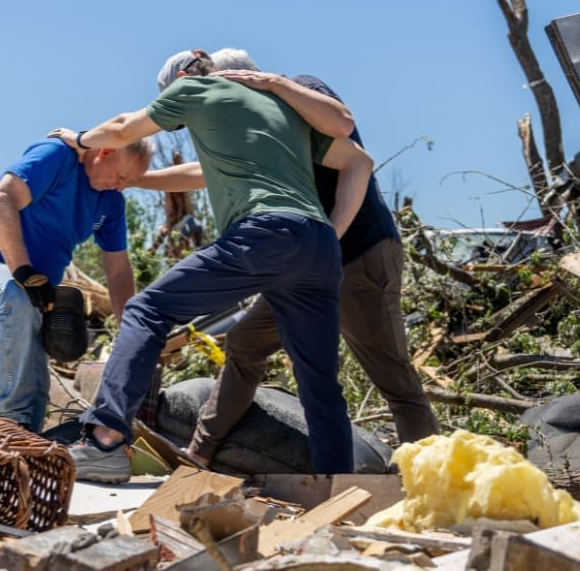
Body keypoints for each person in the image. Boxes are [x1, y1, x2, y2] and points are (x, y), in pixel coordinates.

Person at [49, 49, 374, 482]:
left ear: (182, 79)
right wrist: (134, 179)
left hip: (262, 234)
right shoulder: (278, 110)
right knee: (319, 380)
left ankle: (104, 441)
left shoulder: (195, 89)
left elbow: (124, 129)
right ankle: (341, 488)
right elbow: (358, 161)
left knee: (147, 310)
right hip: (316, 246)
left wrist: (80, 140)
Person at [153, 49, 442, 468]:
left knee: (392, 378)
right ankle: (199, 453)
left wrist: (276, 84)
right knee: (246, 342)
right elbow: (203, 171)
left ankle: (433, 482)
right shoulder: (256, 128)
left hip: (357, 255)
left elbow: (351, 148)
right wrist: (136, 179)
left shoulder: (301, 90)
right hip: (304, 263)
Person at [0, 136, 153, 431]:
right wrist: (23, 271)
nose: (121, 186)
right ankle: (7, 424)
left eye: (128, 182)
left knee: (36, 351)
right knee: (17, 300)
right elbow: (0, 200)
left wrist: (129, 330)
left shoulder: (110, 203)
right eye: (121, 176)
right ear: (105, 152)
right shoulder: (58, 157)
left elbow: (118, 270)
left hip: (38, 291)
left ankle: (28, 435)